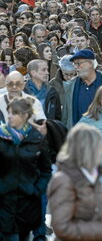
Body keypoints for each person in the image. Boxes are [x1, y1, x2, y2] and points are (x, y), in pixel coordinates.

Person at [47, 123, 102, 241]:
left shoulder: (93, 176)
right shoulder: (63, 180)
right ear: (87, 149)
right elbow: (62, 227)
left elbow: (91, 215)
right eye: (99, 146)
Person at [0, 97, 51, 240]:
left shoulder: (37, 139)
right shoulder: (1, 136)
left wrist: (36, 189)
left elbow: (46, 170)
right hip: (4, 201)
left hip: (27, 203)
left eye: (14, 113)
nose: (9, 116)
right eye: (8, 112)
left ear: (25, 116)